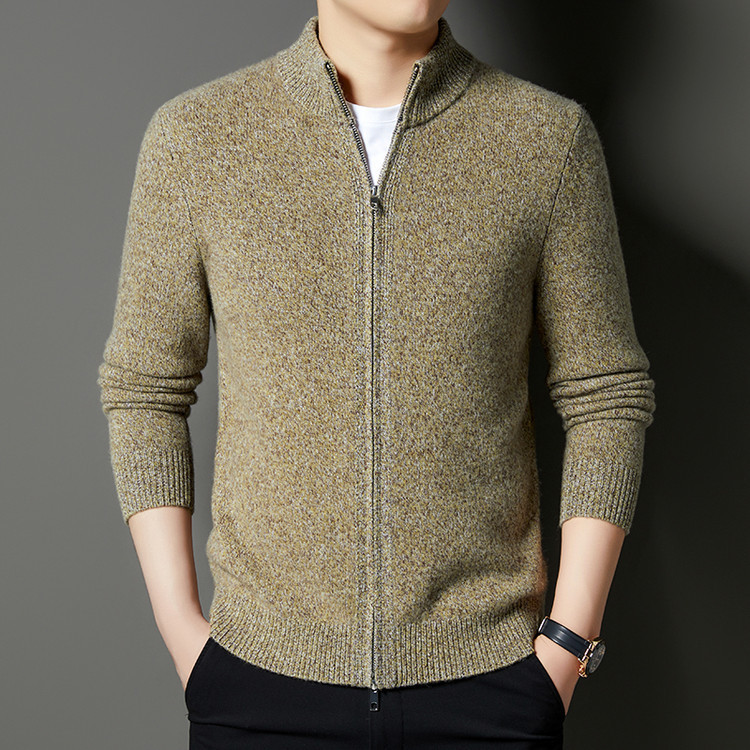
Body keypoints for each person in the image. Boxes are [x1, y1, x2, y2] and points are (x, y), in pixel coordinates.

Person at [96, 1, 656, 747]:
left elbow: (606, 394)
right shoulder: (199, 138)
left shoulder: (545, 140)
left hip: (488, 687)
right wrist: (183, 632)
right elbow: (144, 389)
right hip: (259, 683)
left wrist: (565, 647)